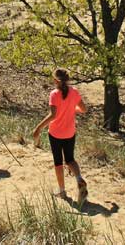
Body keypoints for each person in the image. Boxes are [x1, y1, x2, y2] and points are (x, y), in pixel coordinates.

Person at [32, 68, 88, 204]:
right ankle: (79, 179)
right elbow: (84, 109)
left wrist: (38, 128)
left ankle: (62, 191)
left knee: (58, 161)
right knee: (70, 159)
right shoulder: (74, 92)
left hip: (56, 133)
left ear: (56, 80)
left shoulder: (54, 94)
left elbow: (53, 115)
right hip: (70, 132)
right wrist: (71, 109)